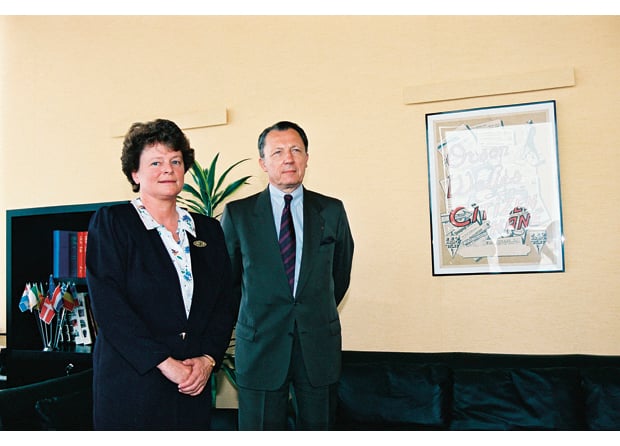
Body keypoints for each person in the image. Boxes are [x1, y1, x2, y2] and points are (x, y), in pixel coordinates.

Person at [86, 118, 237, 430]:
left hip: (193, 382)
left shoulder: (207, 229)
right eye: (155, 162)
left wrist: (208, 359)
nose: (168, 169)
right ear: (135, 173)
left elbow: (226, 299)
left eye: (175, 161)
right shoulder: (113, 222)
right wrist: (165, 364)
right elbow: (109, 306)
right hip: (133, 383)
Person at [220, 120, 354, 430]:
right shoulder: (238, 214)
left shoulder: (332, 211)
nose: (288, 159)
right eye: (277, 152)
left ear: (307, 158)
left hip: (317, 347)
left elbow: (340, 274)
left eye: (296, 150)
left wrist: (310, 309)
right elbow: (228, 284)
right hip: (260, 346)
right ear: (263, 163)